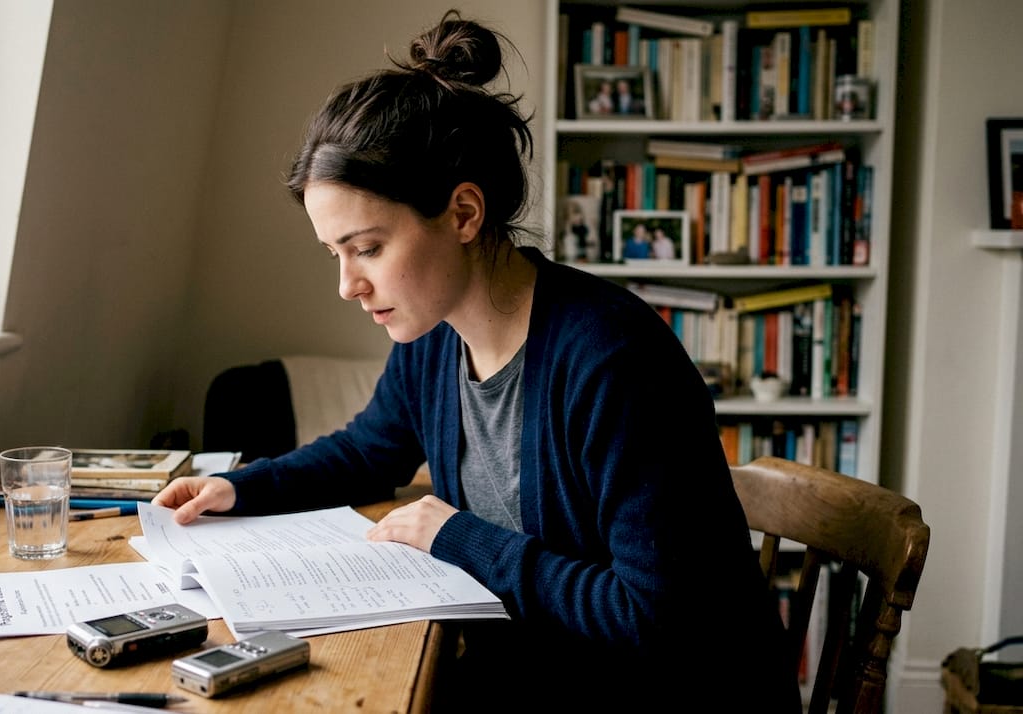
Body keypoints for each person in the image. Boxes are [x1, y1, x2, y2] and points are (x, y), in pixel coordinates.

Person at [153, 10, 798, 712]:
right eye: (334, 254)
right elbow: (370, 450)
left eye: (367, 248)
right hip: (529, 676)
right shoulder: (434, 336)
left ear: (463, 214)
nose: (348, 284)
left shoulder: (613, 361)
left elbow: (658, 621)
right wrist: (244, 488)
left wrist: (461, 538)